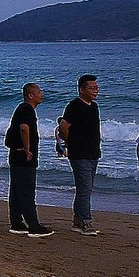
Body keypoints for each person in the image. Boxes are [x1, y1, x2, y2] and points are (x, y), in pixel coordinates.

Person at [5, 82, 53, 237]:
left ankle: (17, 222)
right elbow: (24, 128)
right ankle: (33, 225)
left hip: (15, 156)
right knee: (26, 190)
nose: (42, 94)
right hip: (23, 157)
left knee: (17, 190)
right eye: (39, 92)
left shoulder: (22, 109)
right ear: (30, 95)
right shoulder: (27, 109)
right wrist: (27, 149)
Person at [60, 74, 101, 235]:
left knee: (85, 189)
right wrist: (71, 142)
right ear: (81, 89)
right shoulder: (74, 105)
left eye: (97, 88)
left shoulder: (94, 106)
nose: (96, 91)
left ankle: (78, 222)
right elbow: (64, 126)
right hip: (79, 154)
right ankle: (86, 222)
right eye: (92, 88)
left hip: (93, 153)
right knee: (84, 190)